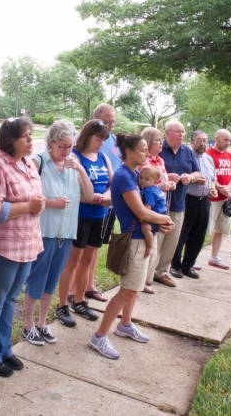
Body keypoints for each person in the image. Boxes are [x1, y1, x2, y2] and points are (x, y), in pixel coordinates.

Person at [0, 117, 45, 377]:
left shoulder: (28, 163)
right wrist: (29, 206)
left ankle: (3, 349)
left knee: (11, 299)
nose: (30, 140)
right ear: (9, 139)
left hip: (26, 243)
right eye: (24, 136)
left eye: (30, 135)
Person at [88, 134, 173, 360]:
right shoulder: (125, 177)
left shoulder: (136, 174)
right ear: (130, 153)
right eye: (144, 150)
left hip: (141, 238)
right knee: (127, 290)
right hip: (134, 240)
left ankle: (125, 325)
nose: (147, 154)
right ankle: (99, 336)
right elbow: (142, 212)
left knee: (134, 289)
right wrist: (164, 220)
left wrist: (158, 223)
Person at [22, 120, 94, 345]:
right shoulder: (38, 162)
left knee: (52, 279)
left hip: (66, 231)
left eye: (70, 146)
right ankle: (28, 325)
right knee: (37, 278)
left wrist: (81, 169)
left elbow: (90, 196)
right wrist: (52, 203)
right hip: (45, 230)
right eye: (62, 146)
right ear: (51, 143)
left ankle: (43, 323)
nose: (67, 151)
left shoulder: (73, 165)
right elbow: (27, 198)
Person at [55, 120, 113, 328]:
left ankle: (80, 300)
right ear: (88, 136)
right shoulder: (75, 157)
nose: (101, 144)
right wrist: (95, 198)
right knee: (73, 260)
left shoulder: (103, 157)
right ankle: (62, 304)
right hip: (80, 216)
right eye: (98, 139)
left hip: (100, 216)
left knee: (88, 260)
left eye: (104, 140)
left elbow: (111, 184)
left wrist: (105, 196)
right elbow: (73, 191)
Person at [78, 103, 121, 299]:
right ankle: (73, 291)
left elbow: (114, 177)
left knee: (94, 250)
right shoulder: (79, 152)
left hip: (105, 206)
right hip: (83, 211)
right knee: (78, 253)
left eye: (113, 121)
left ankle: (89, 285)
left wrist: (109, 196)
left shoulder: (110, 144)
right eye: (107, 121)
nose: (111, 125)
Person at [152, 120, 201, 288]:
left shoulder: (187, 151)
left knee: (172, 240)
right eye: (178, 131)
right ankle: (148, 274)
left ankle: (162, 272)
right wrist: (166, 176)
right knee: (156, 240)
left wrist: (190, 177)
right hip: (159, 205)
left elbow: (197, 171)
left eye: (183, 132)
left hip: (179, 203)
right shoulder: (159, 149)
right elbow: (146, 170)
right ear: (167, 133)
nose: (182, 135)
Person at [170, 131, 218, 279]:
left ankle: (188, 265)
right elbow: (181, 177)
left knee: (198, 236)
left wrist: (213, 189)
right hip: (188, 199)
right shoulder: (186, 157)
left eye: (205, 140)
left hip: (204, 201)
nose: (202, 143)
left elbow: (213, 179)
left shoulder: (209, 159)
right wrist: (194, 180)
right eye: (199, 140)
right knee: (182, 235)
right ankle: (175, 266)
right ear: (191, 142)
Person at [140, 127, 176, 293]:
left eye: (162, 139)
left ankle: (150, 277)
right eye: (157, 140)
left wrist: (170, 182)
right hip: (150, 205)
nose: (161, 142)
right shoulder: (144, 162)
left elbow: (161, 180)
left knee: (158, 244)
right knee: (150, 244)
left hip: (161, 204)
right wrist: (160, 186)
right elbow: (145, 184)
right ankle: (143, 279)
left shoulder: (159, 161)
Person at [205, 129, 231, 268]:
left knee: (221, 229)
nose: (228, 143)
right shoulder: (208, 155)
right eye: (225, 140)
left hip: (225, 199)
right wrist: (220, 188)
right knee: (204, 229)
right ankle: (192, 258)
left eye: (230, 140)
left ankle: (214, 257)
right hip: (212, 199)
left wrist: (228, 188)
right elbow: (208, 175)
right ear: (216, 138)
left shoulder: (229, 156)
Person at [138, 165, 168, 250]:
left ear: (156, 182)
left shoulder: (149, 191)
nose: (142, 180)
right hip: (162, 212)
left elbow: (147, 208)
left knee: (145, 227)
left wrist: (142, 217)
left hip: (158, 213)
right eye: (141, 177)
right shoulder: (154, 188)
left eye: (147, 179)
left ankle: (150, 246)